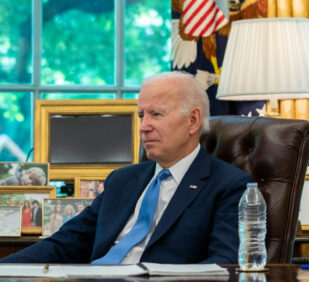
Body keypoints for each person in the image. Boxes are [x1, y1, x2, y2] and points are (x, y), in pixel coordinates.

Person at [0, 71, 253, 264]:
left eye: (157, 114)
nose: (143, 126)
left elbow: (224, 266)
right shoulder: (122, 180)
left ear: (193, 120)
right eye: (142, 115)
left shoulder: (229, 186)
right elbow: (66, 243)